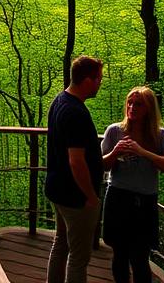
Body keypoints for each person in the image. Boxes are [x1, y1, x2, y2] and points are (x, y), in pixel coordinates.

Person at [101, 86, 164, 283]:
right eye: (129, 102)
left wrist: (142, 152)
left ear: (149, 109)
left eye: (138, 104)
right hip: (118, 197)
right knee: (119, 254)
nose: (132, 107)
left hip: (144, 201)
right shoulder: (114, 131)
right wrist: (115, 153)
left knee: (140, 257)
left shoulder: (159, 135)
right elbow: (100, 164)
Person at [45, 55, 105, 283]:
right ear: (87, 80)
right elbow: (76, 161)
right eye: (98, 78)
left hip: (57, 189)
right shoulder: (76, 113)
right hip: (75, 197)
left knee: (61, 243)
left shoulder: (60, 100)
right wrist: (90, 196)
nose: (100, 83)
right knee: (79, 258)